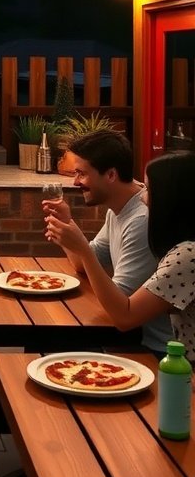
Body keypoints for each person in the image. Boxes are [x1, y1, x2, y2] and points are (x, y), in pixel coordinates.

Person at [45, 148, 195, 361]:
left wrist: (84, 251)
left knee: (63, 350)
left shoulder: (187, 256)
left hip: (171, 361)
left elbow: (124, 316)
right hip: (170, 355)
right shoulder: (183, 247)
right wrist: (68, 232)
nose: (142, 197)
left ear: (172, 198)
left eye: (150, 189)